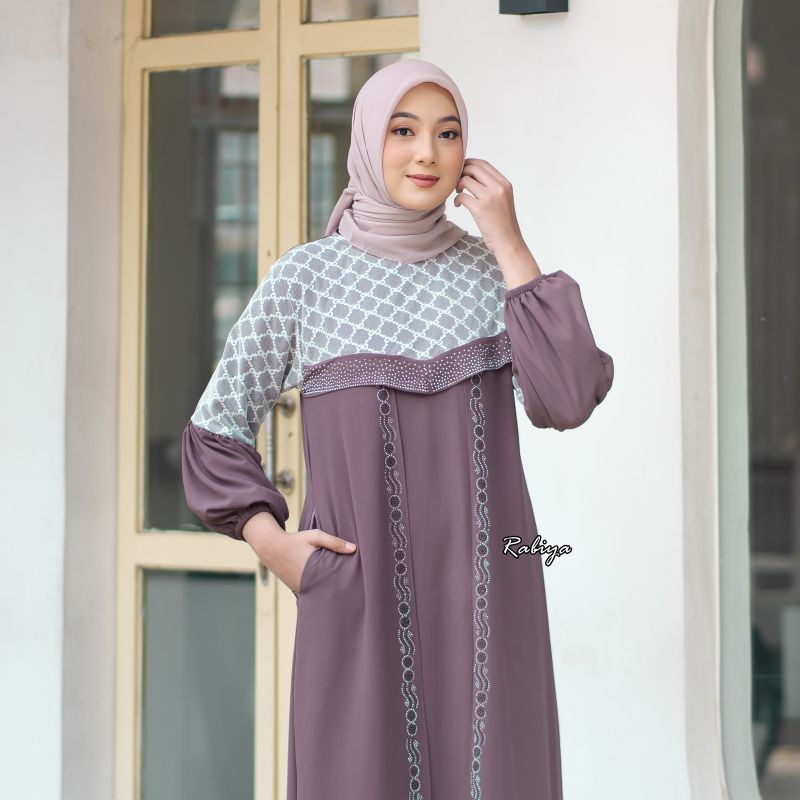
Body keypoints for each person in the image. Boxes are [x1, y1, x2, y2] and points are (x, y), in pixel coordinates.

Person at [181, 57, 614, 800]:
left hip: (490, 600)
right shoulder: (307, 280)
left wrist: (510, 242)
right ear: (366, 140)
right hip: (359, 605)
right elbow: (215, 430)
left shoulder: (491, 273)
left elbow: (569, 397)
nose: (427, 154)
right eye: (403, 131)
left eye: (448, 134)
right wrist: (275, 546)